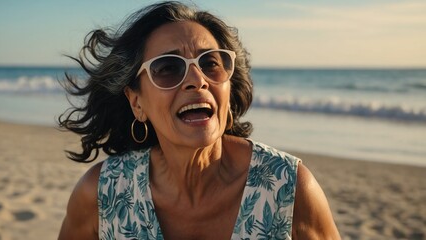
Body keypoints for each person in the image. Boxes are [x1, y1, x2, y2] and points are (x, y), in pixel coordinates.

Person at [58, 1, 340, 239]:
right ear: (136, 102)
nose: (197, 80)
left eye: (210, 63)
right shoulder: (102, 194)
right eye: (168, 68)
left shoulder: (288, 188)